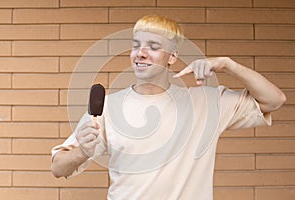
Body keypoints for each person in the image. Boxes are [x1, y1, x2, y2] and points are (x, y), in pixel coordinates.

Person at [51, 15, 286, 199]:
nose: (140, 53)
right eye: (136, 45)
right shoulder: (108, 108)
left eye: (152, 46)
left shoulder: (207, 102)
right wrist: (83, 149)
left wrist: (228, 65)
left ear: (172, 57)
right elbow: (58, 168)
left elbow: (274, 100)